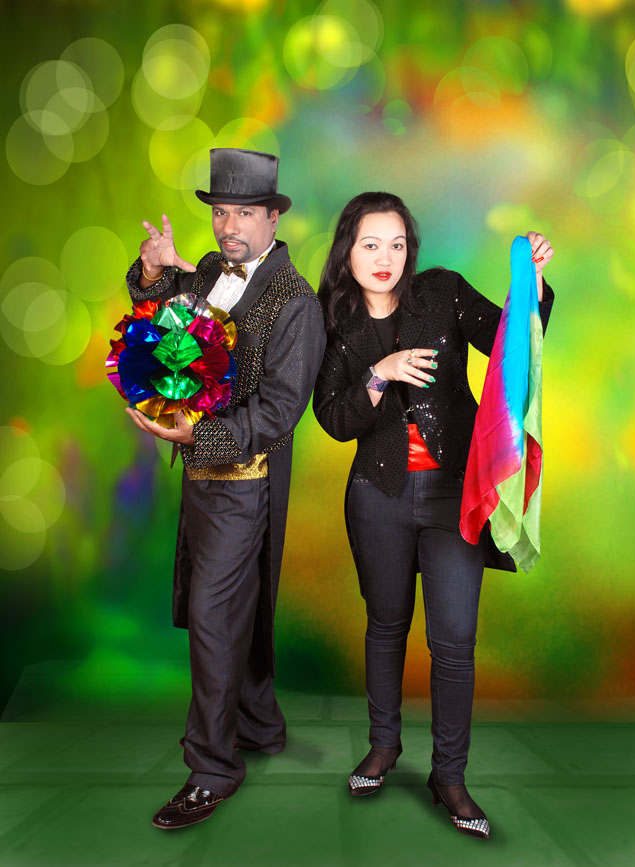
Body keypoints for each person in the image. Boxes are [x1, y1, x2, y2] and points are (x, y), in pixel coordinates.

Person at [313, 192, 554, 840]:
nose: (385, 257)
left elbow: (510, 343)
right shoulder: (335, 320)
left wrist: (532, 284)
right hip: (378, 494)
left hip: (454, 492)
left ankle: (449, 776)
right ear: (348, 251)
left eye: (396, 244)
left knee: (453, 641)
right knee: (386, 625)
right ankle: (383, 746)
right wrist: (379, 373)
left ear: (410, 250)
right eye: (370, 244)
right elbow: (333, 418)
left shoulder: (441, 293)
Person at [124, 148, 326, 829]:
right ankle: (260, 725)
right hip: (202, 482)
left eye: (244, 212)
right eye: (220, 212)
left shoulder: (296, 303)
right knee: (232, 608)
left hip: (245, 482)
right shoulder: (211, 271)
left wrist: (197, 436)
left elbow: (279, 413)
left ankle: (212, 769)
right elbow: (167, 325)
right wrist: (154, 274)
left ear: (273, 218)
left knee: (213, 616)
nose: (229, 225)